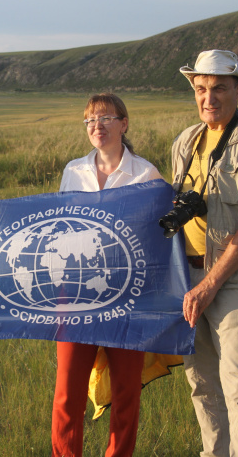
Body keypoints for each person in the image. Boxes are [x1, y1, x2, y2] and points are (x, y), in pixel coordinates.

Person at [171, 50, 238, 456]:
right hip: (190, 278)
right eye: (201, 89)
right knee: (202, 387)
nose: (209, 98)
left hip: (234, 281)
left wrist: (211, 285)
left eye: (219, 88)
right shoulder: (185, 141)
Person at [52, 93, 169, 457]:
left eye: (105, 118)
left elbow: (158, 236)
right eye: (90, 120)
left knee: (126, 392)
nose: (97, 126)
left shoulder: (146, 173)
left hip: (126, 299)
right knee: (68, 392)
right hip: (74, 296)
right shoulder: (73, 171)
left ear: (124, 123)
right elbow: (57, 227)